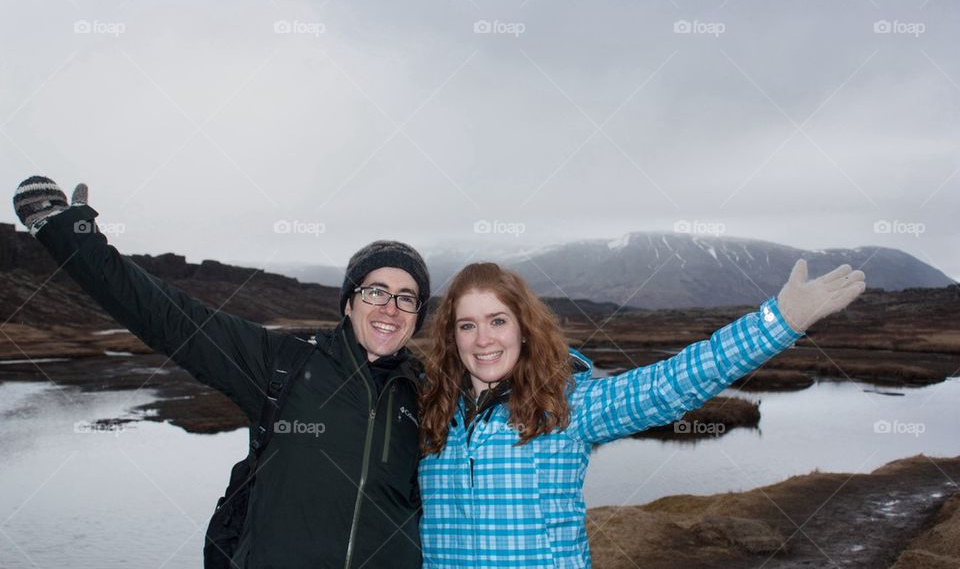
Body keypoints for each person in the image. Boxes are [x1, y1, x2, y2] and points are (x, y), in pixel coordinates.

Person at [13, 176, 429, 568]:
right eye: (375, 291)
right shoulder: (284, 361)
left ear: (416, 317)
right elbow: (169, 317)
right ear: (349, 304)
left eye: (406, 298)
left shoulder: (430, 394)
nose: (390, 308)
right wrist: (71, 237)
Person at [418, 261, 865, 568]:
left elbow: (669, 384)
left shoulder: (567, 407)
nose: (483, 339)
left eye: (497, 321)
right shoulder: (431, 413)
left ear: (524, 329)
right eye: (467, 325)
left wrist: (777, 322)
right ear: (452, 336)